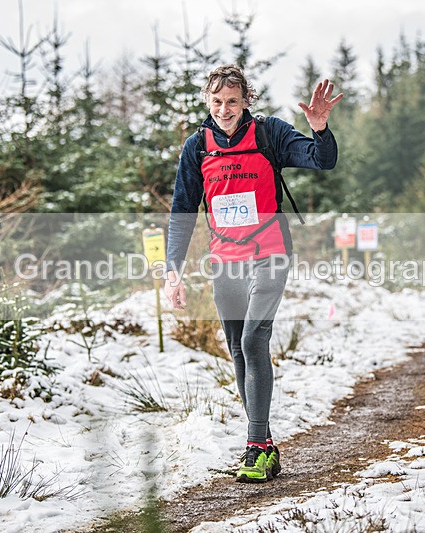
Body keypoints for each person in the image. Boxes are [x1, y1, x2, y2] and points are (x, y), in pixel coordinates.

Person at [164, 64, 342, 483]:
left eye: (232, 101)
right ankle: (263, 442)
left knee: (253, 337)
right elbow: (182, 211)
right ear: (208, 102)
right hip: (225, 258)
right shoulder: (197, 147)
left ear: (246, 101)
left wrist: (319, 129)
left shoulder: (270, 133)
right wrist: (171, 271)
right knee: (238, 350)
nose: (225, 109)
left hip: (270, 251)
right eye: (217, 101)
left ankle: (255, 445)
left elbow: (323, 160)